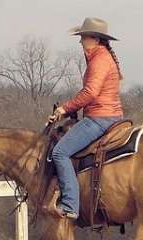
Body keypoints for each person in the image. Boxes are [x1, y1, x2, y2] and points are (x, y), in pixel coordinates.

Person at [48, 17, 124, 219]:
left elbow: (90, 93)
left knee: (59, 153)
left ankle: (70, 204)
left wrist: (64, 108)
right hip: (112, 115)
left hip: (100, 118)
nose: (80, 41)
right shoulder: (104, 57)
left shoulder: (99, 60)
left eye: (83, 37)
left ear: (95, 39)